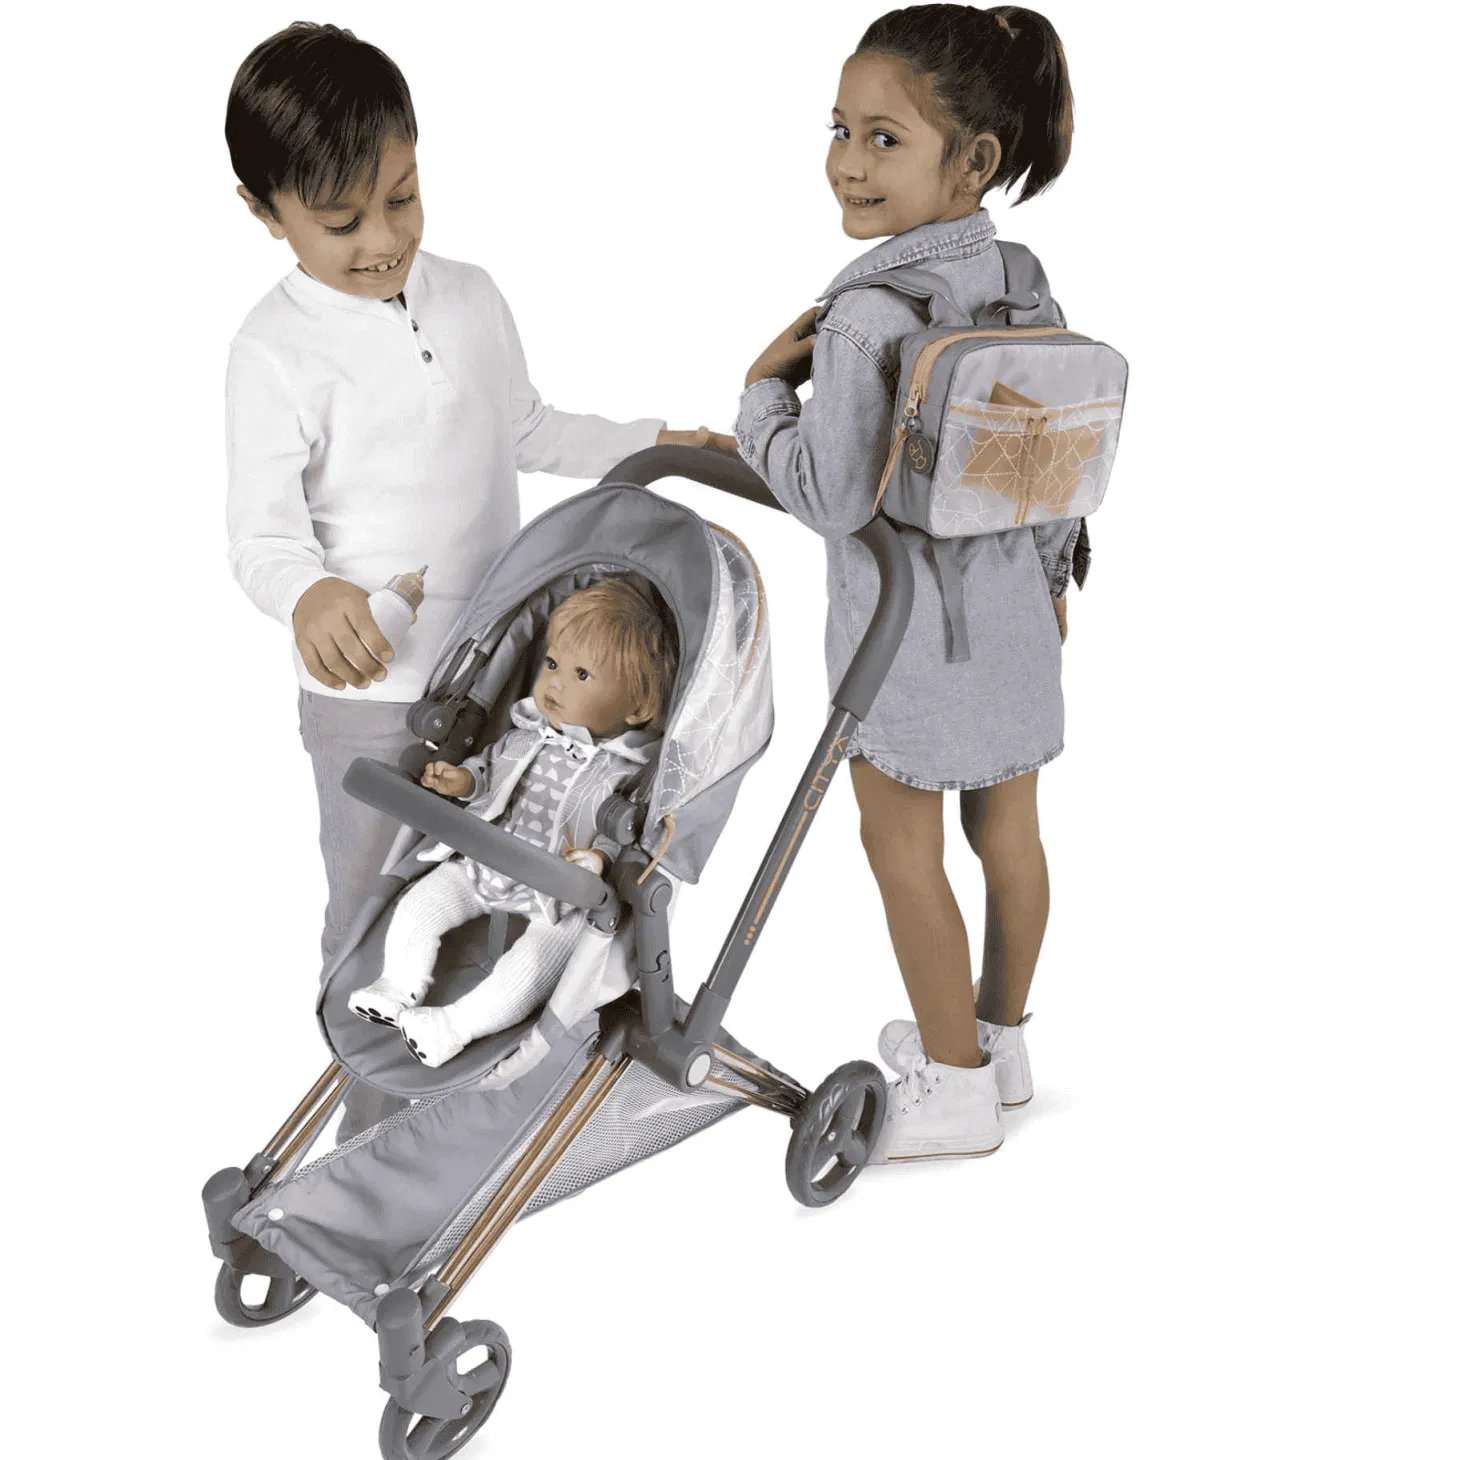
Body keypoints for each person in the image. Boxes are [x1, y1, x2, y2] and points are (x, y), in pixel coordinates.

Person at [223, 23, 724, 1134]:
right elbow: (260, 536)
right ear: (264, 211)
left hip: (509, 678)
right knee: (374, 915)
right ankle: (368, 1140)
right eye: (341, 222)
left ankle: (475, 1125)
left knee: (512, 891)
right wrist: (307, 594)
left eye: (401, 199)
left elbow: (529, 427)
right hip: (372, 702)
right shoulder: (273, 351)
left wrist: (660, 439)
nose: (382, 240)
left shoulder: (470, 294)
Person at [734, 4, 1083, 1162]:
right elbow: (1053, 456)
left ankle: (951, 1084)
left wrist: (759, 399)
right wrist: (1051, 585)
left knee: (901, 849)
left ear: (971, 160)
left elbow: (829, 494)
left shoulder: (865, 318)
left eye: (883, 138)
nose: (847, 160)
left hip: (903, 642)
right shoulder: (1020, 281)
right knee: (1009, 835)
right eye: (838, 128)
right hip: (1018, 616)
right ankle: (1000, 1039)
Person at [347, 577, 677, 1068]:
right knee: (420, 904)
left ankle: (454, 1027)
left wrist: (597, 860)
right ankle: (396, 986)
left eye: (582, 674)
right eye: (552, 664)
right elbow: (489, 772)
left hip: (558, 898)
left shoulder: (625, 775)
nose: (555, 681)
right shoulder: (525, 737)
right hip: (482, 863)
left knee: (535, 966)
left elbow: (622, 834)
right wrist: (462, 781)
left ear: (637, 706)